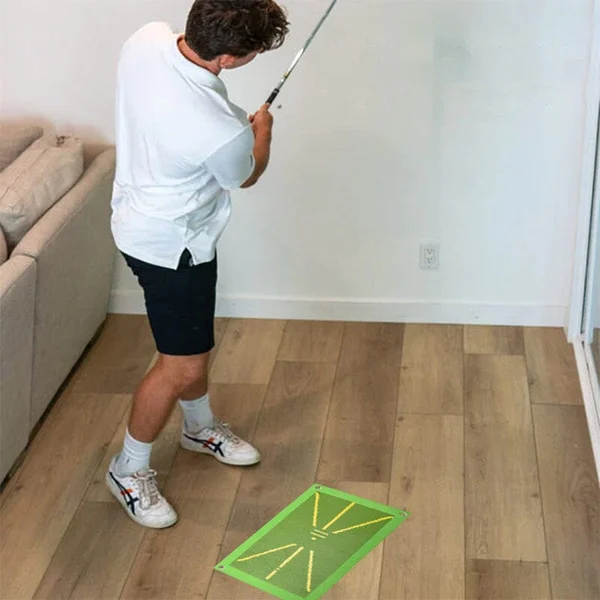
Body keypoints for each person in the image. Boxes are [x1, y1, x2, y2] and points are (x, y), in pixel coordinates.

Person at [107, 0, 289, 529]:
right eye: (255, 51)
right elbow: (246, 173)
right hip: (173, 247)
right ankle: (127, 469)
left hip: (137, 220)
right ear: (229, 59)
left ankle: (198, 427)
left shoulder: (146, 39)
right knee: (181, 365)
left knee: (193, 345)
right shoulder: (221, 131)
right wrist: (262, 131)